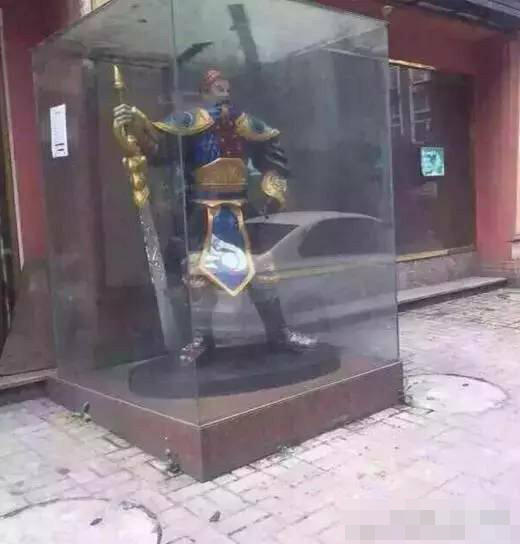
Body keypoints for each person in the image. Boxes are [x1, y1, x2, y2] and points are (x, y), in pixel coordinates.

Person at [114, 69, 317, 363]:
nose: (225, 94)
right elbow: (160, 152)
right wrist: (136, 125)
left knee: (262, 271)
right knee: (198, 275)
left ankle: (279, 333)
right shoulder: (190, 123)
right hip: (203, 210)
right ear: (204, 92)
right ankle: (202, 340)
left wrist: (273, 187)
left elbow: (271, 152)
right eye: (218, 88)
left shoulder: (243, 123)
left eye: (227, 89)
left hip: (242, 210)